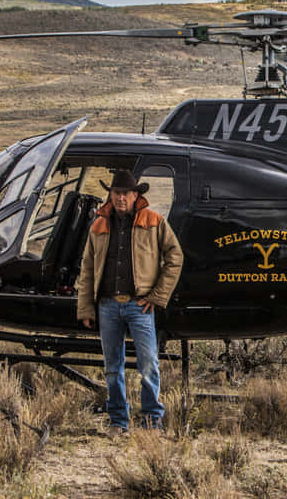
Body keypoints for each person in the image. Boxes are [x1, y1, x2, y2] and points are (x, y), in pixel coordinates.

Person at [76, 169, 183, 437]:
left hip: (140, 306)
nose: (121, 198)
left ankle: (151, 422)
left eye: (126, 193)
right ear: (110, 195)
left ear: (136, 195)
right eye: (116, 193)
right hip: (107, 306)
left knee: (148, 364)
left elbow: (175, 256)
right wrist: (86, 307)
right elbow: (87, 268)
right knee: (113, 367)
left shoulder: (154, 221)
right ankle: (118, 422)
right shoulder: (98, 225)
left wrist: (157, 296)